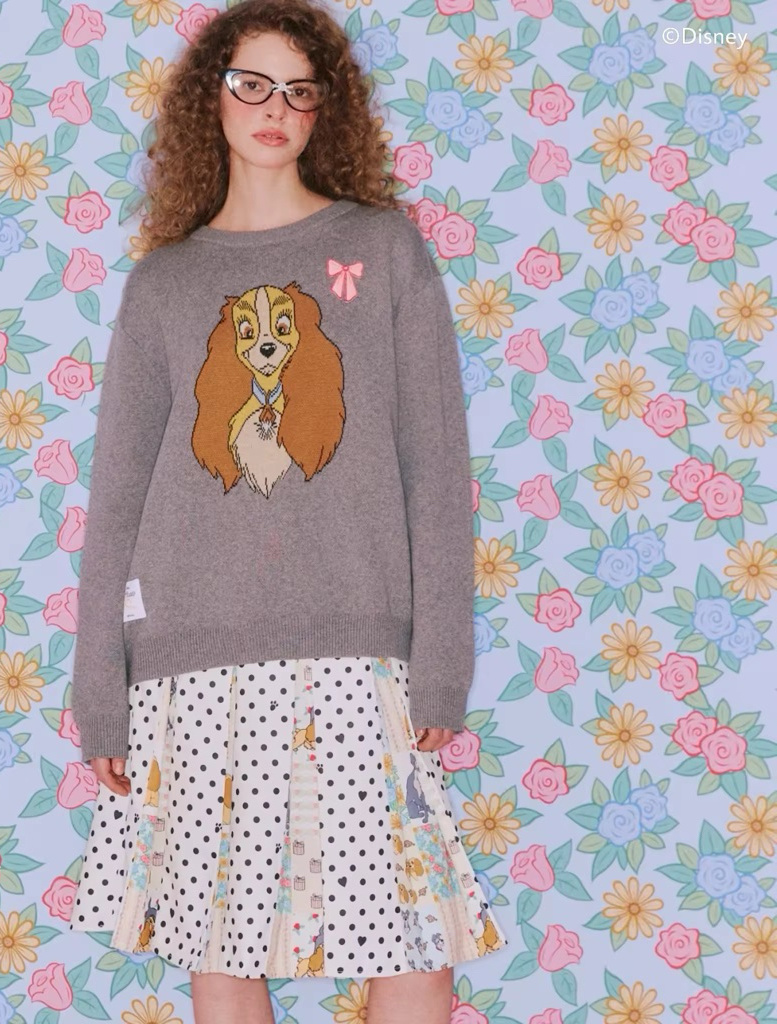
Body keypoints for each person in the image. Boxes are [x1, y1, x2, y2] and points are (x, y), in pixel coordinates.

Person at [67, 1, 508, 1020]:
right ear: (211, 99)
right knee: (217, 932)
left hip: (357, 649)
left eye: (299, 90)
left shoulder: (383, 249)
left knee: (410, 931)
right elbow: (116, 497)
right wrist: (100, 687)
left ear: (325, 110)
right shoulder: (165, 283)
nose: (275, 108)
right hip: (188, 657)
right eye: (252, 84)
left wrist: (442, 659)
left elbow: (435, 467)